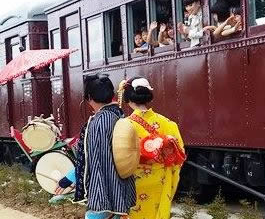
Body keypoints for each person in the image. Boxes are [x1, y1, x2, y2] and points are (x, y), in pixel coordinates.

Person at [55, 74, 136, 219]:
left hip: (104, 190)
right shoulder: (118, 115)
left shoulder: (98, 122)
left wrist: (69, 178)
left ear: (90, 98)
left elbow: (93, 160)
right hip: (121, 189)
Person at [118, 77, 186, 219]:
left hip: (135, 182)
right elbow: (179, 155)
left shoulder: (124, 126)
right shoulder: (168, 123)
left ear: (128, 97)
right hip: (160, 180)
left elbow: (118, 157)